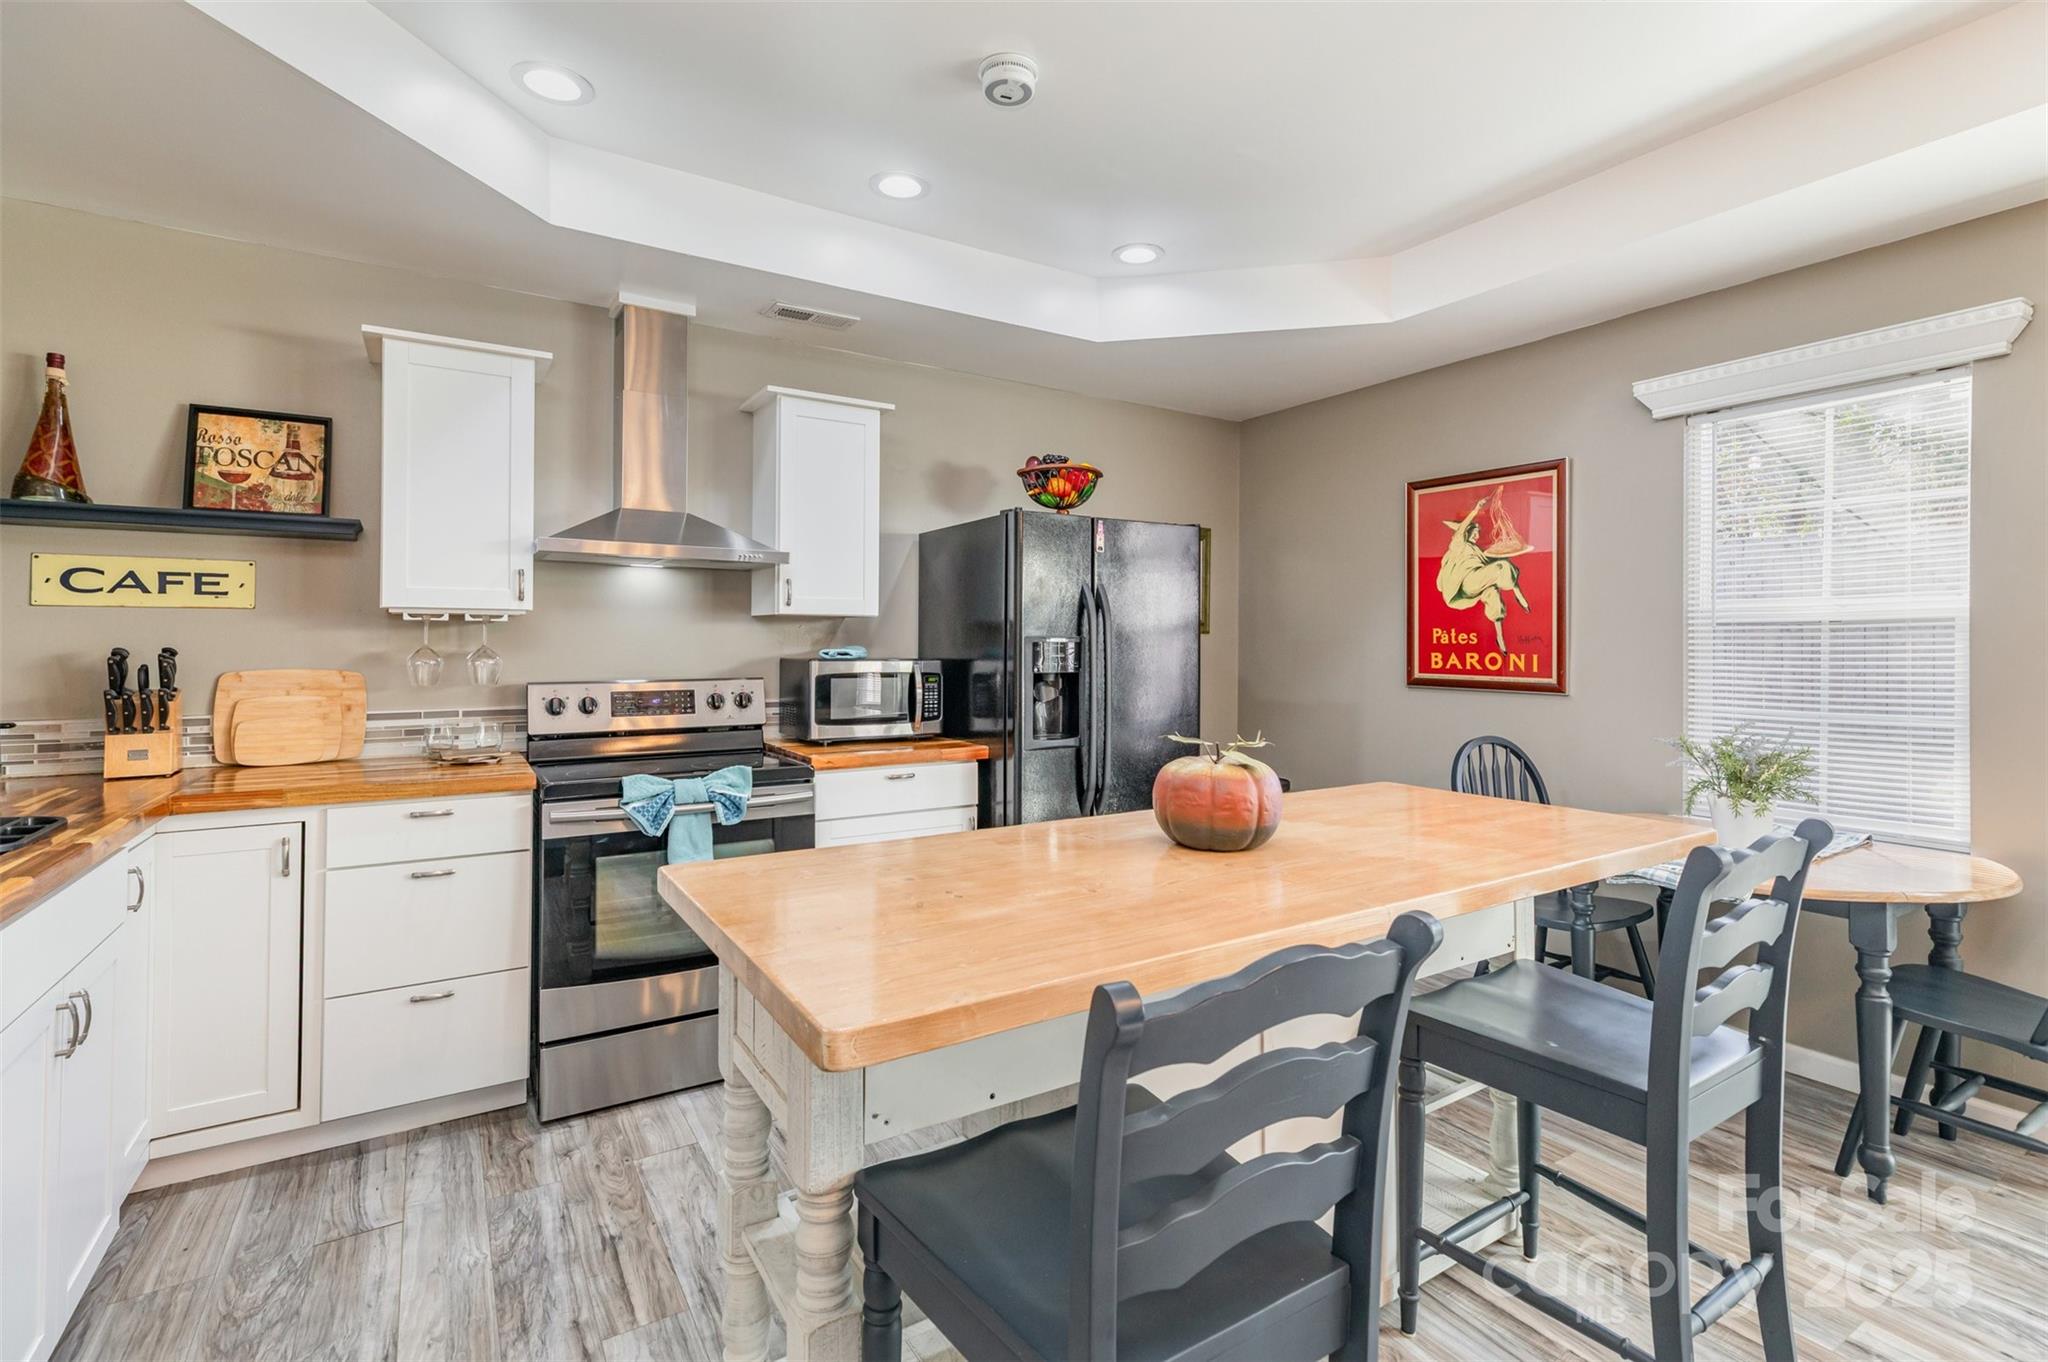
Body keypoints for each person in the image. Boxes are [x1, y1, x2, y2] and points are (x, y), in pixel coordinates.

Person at [1436, 490, 1530, 653]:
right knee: (1501, 566)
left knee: (1493, 592)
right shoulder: (1459, 545)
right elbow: (1461, 530)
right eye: (1474, 532)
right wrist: (1476, 509)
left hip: (1476, 583)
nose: (1477, 535)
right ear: (1467, 533)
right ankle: (1517, 593)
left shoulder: (1476, 550)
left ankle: (1500, 637)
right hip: (1467, 583)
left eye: (1478, 532)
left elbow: (1488, 563)